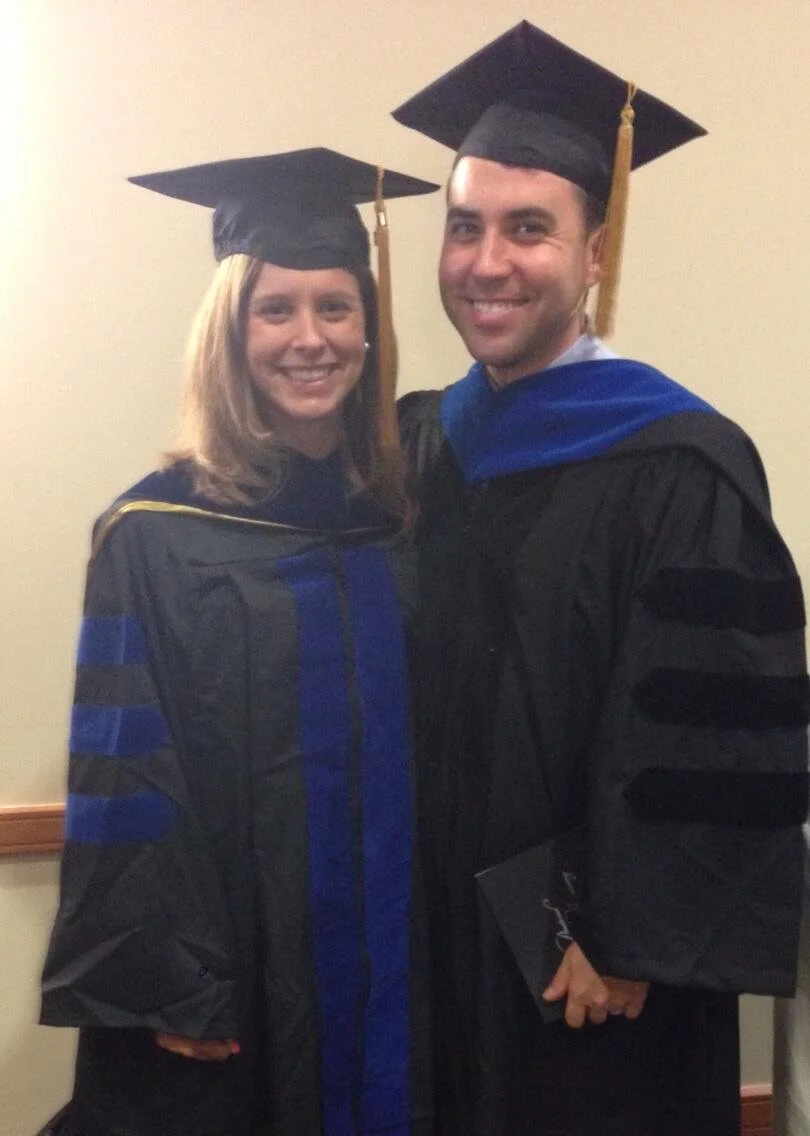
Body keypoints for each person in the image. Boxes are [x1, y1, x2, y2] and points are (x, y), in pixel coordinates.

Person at [393, 22, 810, 1136]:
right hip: (438, 931)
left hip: (589, 966)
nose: (488, 260)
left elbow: (708, 738)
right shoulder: (427, 445)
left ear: (594, 253)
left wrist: (628, 931)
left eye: (530, 227)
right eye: (466, 225)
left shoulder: (681, 465)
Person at [38, 148, 437, 1136]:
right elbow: (126, 780)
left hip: (401, 967)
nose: (311, 337)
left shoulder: (407, 522)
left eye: (336, 307)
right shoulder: (154, 535)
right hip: (233, 983)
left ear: (368, 328)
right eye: (276, 308)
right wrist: (173, 982)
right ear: (231, 329)